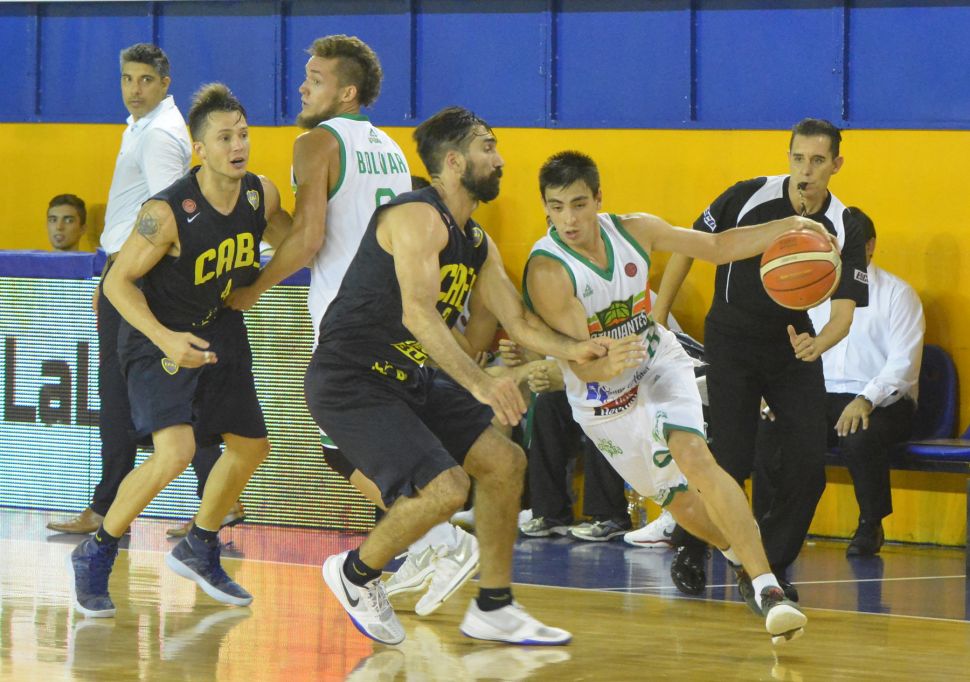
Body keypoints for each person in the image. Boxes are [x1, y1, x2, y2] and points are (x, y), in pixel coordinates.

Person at [306, 106, 606, 646]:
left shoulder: (476, 240)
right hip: (352, 378)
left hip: (404, 378)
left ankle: (494, 606)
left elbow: (518, 321)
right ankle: (355, 574)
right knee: (445, 489)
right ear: (453, 161)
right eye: (487, 147)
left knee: (505, 463)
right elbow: (418, 315)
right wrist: (481, 383)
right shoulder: (417, 217)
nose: (500, 159)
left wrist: (576, 349)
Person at [223, 36, 483, 616]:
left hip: (348, 315)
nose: (302, 87)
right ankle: (429, 539)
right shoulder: (388, 146)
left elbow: (311, 239)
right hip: (396, 312)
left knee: (340, 448)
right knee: (360, 442)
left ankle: (441, 537)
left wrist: (254, 290)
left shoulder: (314, 142)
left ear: (346, 92)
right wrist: (271, 220)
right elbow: (323, 232)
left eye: (315, 79)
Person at [524, 150, 816, 644]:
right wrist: (604, 363)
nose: (569, 219)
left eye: (578, 204)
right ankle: (738, 559)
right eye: (556, 207)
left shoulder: (636, 229)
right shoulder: (548, 272)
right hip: (601, 395)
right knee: (679, 503)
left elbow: (718, 246)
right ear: (546, 208)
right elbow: (579, 360)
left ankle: (768, 587)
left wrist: (786, 227)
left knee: (695, 456)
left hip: (656, 360)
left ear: (599, 198)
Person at [69, 83, 290, 617]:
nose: (238, 145)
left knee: (251, 446)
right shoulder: (167, 211)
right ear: (200, 149)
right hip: (156, 333)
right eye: (225, 137)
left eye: (243, 134)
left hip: (218, 326)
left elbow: (296, 239)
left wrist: (261, 285)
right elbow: (116, 282)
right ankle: (97, 551)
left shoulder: (261, 193)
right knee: (176, 452)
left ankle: (200, 545)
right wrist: (166, 338)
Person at [653, 118, 869, 599]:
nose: (806, 170)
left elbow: (843, 313)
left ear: (836, 165)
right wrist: (660, 313)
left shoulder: (845, 224)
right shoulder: (748, 195)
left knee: (808, 466)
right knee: (730, 457)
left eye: (818, 160)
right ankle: (692, 544)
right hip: (731, 338)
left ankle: (765, 568)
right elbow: (688, 245)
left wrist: (819, 343)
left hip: (793, 344)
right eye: (798, 158)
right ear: (788, 157)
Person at [46, 44, 228, 536]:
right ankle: (206, 500)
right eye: (127, 78)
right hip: (128, 272)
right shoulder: (143, 127)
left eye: (145, 79)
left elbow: (171, 213)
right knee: (147, 394)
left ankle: (111, 509)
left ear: (166, 83)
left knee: (125, 396)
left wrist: (121, 277)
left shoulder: (160, 135)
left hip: (140, 277)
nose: (134, 88)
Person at [760, 207, 924, 556]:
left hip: (885, 402)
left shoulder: (898, 294)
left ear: (870, 246)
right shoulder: (811, 292)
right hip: (821, 396)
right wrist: (775, 395)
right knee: (771, 429)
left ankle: (870, 524)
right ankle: (769, 524)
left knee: (859, 433)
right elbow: (793, 353)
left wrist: (865, 399)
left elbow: (904, 364)